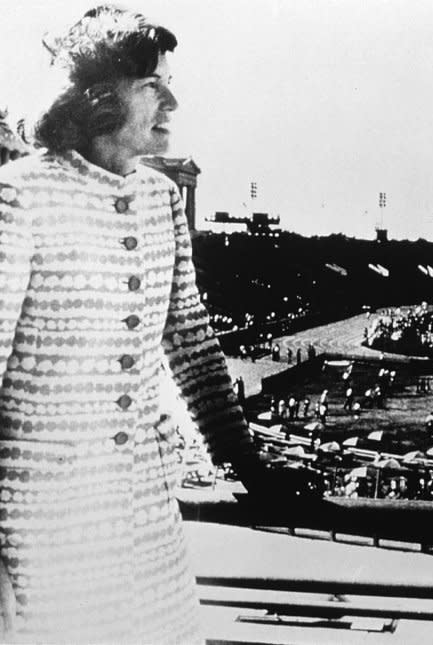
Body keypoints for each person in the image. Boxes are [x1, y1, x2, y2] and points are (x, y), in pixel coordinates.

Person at [0, 7, 315, 642]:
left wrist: (250, 467)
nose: (171, 100)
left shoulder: (160, 199)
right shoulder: (19, 198)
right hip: (41, 533)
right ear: (96, 96)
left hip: (147, 525)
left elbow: (193, 349)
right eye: (152, 85)